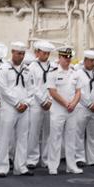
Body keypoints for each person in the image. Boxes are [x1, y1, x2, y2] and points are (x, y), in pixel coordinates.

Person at [0, 42, 34, 177]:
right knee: (5, 137)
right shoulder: (4, 68)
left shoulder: (27, 69)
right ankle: (1, 167)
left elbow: (31, 89)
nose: (21, 56)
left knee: (23, 137)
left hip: (24, 107)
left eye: (23, 54)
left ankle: (20, 167)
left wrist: (26, 103)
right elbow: (2, 88)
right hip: (9, 107)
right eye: (18, 53)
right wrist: (17, 103)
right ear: (12, 52)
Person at [47, 46, 82, 174]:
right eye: (65, 57)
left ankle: (71, 165)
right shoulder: (53, 72)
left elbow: (78, 91)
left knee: (71, 138)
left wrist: (73, 103)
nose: (67, 60)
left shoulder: (75, 73)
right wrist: (66, 103)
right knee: (55, 138)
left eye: (69, 57)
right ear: (59, 58)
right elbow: (52, 91)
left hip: (72, 110)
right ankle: (52, 166)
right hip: (58, 110)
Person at [26, 41, 56, 169]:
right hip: (36, 103)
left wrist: (49, 100)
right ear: (37, 52)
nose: (46, 55)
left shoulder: (53, 66)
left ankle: (46, 159)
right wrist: (42, 100)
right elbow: (31, 86)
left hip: (50, 102)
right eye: (44, 53)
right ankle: (31, 159)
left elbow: (54, 85)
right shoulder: (31, 67)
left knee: (49, 132)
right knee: (34, 132)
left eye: (48, 53)